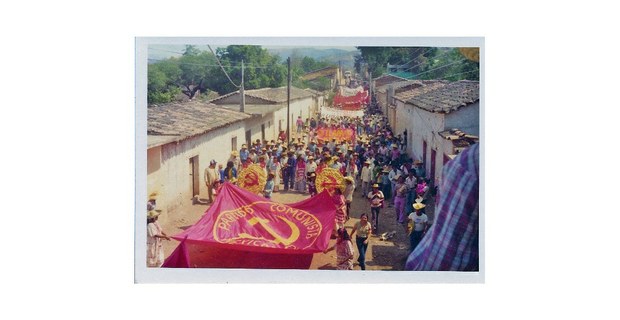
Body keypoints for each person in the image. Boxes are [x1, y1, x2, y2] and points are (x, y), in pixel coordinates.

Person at [405, 143, 479, 271]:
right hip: (414, 232)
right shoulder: (471, 165)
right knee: (413, 243)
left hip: (421, 234)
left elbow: (442, 259)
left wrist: (423, 232)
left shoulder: (469, 166)